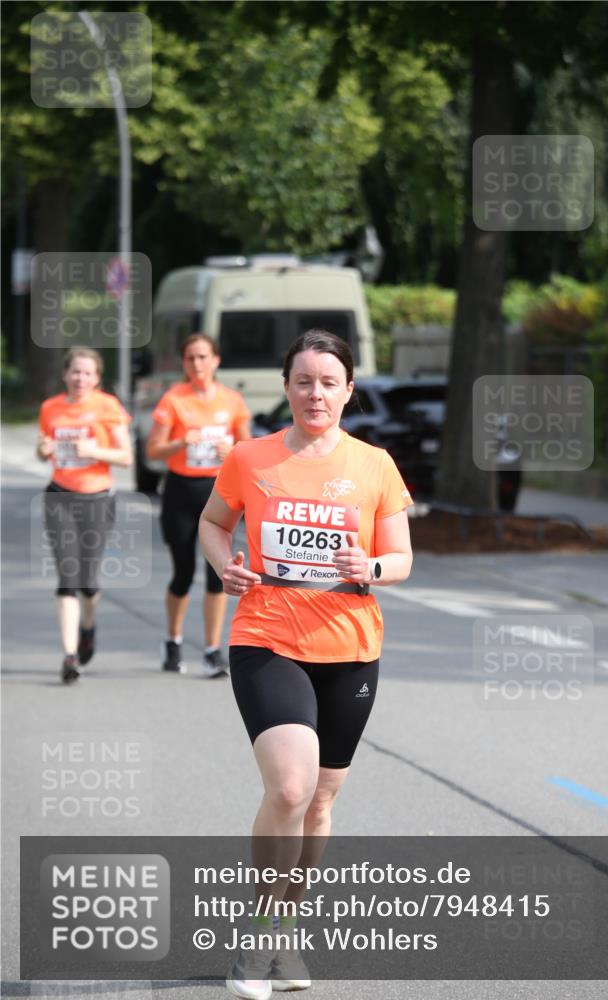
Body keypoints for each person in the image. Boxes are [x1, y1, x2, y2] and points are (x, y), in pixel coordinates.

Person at [199, 330, 413, 999]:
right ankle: (260, 938)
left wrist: (369, 566)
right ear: (285, 387)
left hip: (350, 649)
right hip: (266, 638)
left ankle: (287, 929)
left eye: (327, 381)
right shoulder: (249, 457)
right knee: (289, 788)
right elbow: (211, 523)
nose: (314, 393)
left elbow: (401, 558)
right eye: (302, 380)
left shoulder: (374, 465)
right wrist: (224, 566)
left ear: (348, 390)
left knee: (320, 801)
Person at [146, 333, 251, 677]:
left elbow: (249, 448)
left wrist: (233, 451)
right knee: (182, 573)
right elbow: (151, 452)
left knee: (217, 574)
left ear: (216, 360)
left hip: (219, 491)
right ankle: (173, 640)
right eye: (190, 358)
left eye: (203, 357)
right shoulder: (174, 400)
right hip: (181, 491)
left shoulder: (232, 400)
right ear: (184, 363)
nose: (197, 364)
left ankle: (211, 649)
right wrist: (179, 442)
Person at [36, 346, 132, 684]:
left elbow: (125, 457)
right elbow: (42, 447)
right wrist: (43, 449)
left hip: (96, 499)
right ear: (65, 374)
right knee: (67, 578)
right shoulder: (51, 408)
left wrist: (94, 451)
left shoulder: (107, 407)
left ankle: (88, 626)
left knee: (88, 583)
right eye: (75, 371)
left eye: (87, 372)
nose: (80, 378)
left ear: (97, 378)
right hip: (59, 497)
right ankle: (70, 655)